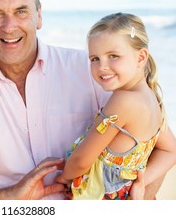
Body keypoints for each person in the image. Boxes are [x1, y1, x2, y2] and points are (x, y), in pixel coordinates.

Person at [0, 0, 175, 200]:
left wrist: (136, 203)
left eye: (21, 11)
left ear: (38, 15)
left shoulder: (94, 72)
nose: (10, 27)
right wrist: (11, 195)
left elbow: (156, 145)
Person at [55, 12, 176, 200]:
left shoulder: (123, 102)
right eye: (94, 58)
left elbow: (81, 161)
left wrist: (64, 177)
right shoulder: (153, 100)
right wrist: (140, 182)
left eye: (113, 56)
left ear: (141, 57)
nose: (102, 66)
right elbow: (171, 150)